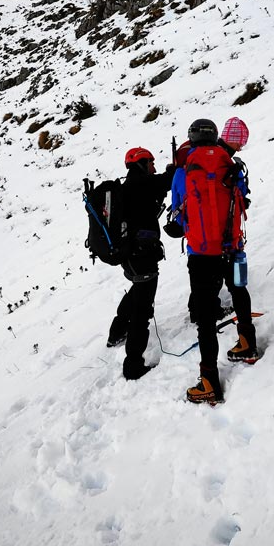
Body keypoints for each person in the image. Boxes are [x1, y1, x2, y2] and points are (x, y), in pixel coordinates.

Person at [171, 117, 259, 404]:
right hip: (232, 246)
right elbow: (243, 199)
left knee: (206, 317)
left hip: (201, 255)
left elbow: (177, 212)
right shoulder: (232, 165)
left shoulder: (183, 171)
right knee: (238, 289)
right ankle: (247, 343)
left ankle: (209, 381)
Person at [106, 146, 174, 380]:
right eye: (151, 162)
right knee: (143, 309)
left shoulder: (128, 187)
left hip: (130, 255)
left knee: (137, 290)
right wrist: (173, 170)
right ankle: (133, 364)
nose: (154, 167)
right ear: (141, 163)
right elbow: (167, 181)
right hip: (141, 255)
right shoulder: (142, 184)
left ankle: (116, 332)